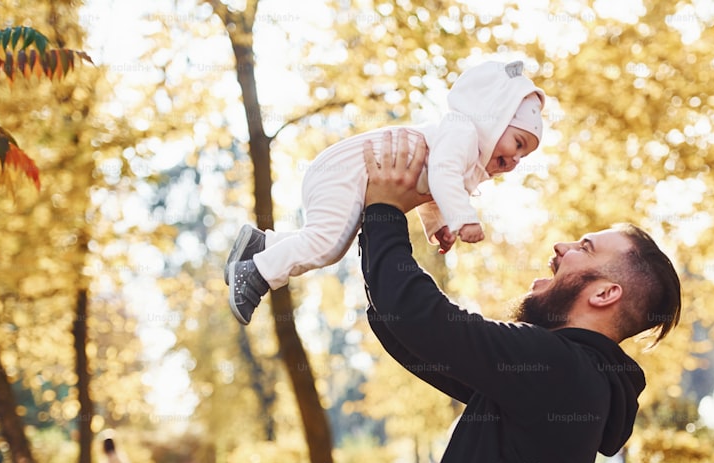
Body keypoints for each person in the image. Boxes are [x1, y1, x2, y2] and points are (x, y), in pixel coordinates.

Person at [358, 131, 681, 463]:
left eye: (585, 248)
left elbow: (421, 319)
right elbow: (412, 334)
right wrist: (390, 217)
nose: (561, 247)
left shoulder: (563, 370)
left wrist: (384, 209)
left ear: (604, 294)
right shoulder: (558, 377)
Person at [225, 59, 546, 325]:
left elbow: (432, 185)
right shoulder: (462, 132)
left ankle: (261, 244)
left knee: (328, 238)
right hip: (348, 169)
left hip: (348, 171)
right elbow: (442, 174)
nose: (516, 160)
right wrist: (463, 219)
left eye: (524, 156)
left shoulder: (458, 146)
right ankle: (257, 272)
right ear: (493, 116)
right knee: (329, 243)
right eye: (518, 143)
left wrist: (437, 225)